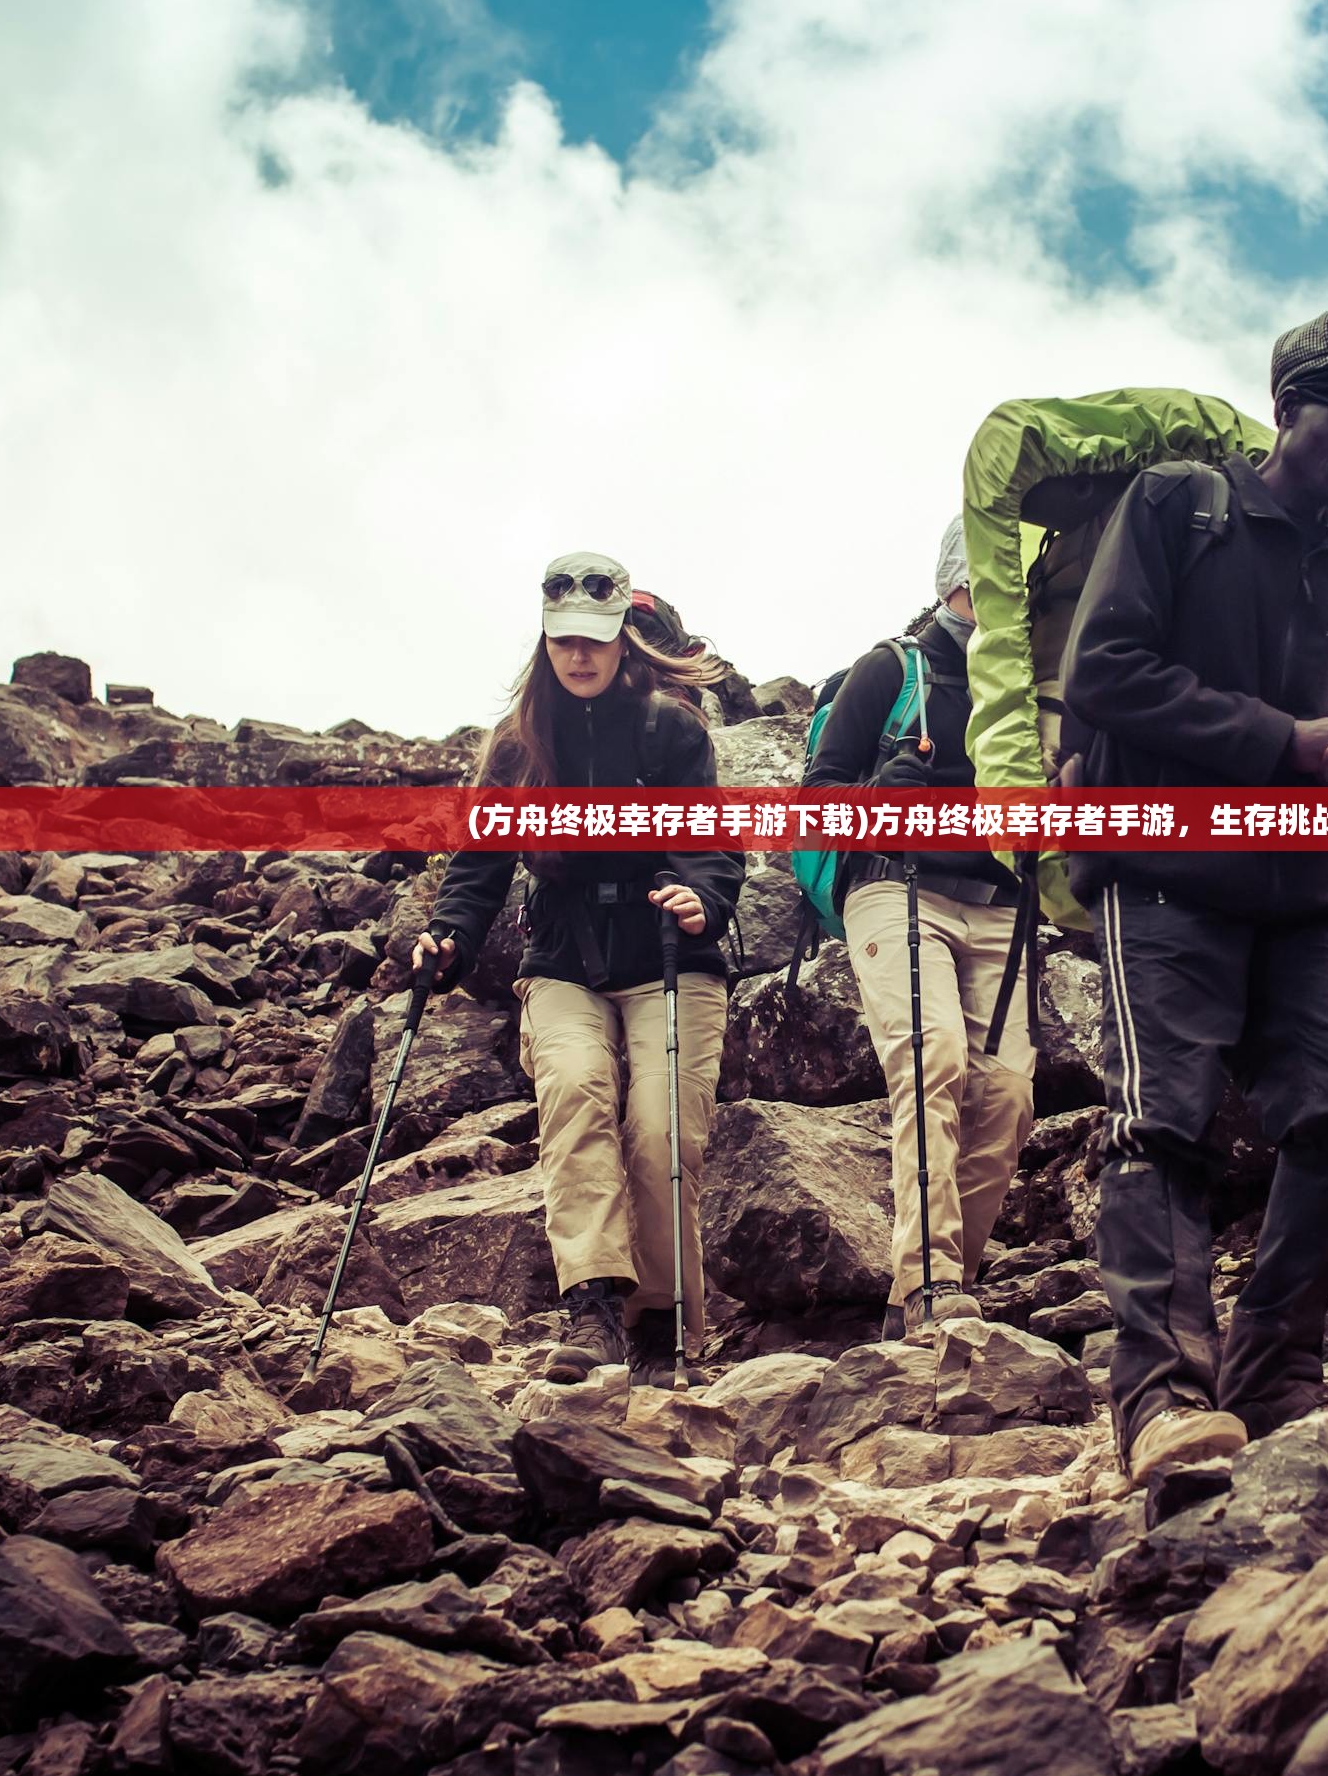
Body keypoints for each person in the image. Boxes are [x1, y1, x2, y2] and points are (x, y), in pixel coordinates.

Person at [1062, 311, 1328, 1488]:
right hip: (1165, 874)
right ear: (1286, 407)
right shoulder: (1179, 505)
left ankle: (1272, 1376)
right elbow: (1105, 672)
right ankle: (1162, 1401)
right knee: (1158, 1127)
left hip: (1299, 896)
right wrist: (1285, 743)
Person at [423, 552, 743, 1385]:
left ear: (620, 640)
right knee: (573, 1094)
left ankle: (665, 1321)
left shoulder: (669, 730)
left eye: (593, 640)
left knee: (663, 1125)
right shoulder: (516, 750)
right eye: (562, 640)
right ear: (544, 639)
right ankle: (594, 1305)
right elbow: (477, 867)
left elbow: (711, 847)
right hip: (563, 956)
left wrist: (699, 896)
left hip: (669, 955)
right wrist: (448, 936)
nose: (579, 655)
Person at [802, 514, 1038, 1342]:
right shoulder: (889, 669)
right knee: (933, 1058)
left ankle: (951, 1284)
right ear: (953, 584)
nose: (1005, 601)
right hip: (894, 888)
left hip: (1000, 903)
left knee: (1007, 1094)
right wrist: (882, 796)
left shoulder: (1030, 685)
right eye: (989, 583)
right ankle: (928, 1284)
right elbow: (816, 795)